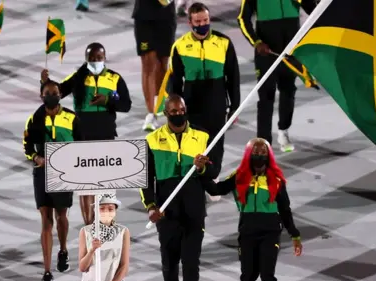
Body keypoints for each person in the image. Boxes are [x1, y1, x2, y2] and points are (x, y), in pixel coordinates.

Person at [198, 138, 302, 281]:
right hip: (247, 233)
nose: (259, 155)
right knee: (248, 276)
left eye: (263, 152)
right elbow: (215, 189)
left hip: (270, 233)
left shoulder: (277, 180)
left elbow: (285, 210)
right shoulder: (239, 176)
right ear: (249, 154)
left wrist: (295, 235)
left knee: (268, 277)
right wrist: (202, 171)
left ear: (268, 156)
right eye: (256, 152)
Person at [140, 94, 219, 281]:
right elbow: (146, 178)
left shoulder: (202, 137)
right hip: (167, 212)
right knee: (169, 262)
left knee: (192, 266)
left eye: (182, 109)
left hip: (194, 211)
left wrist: (203, 167)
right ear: (166, 114)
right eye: (173, 111)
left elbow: (212, 173)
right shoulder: (152, 140)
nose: (178, 113)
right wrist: (151, 206)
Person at [41, 42, 132, 226]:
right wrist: (45, 83)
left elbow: (126, 104)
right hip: (82, 137)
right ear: (86, 60)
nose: (95, 61)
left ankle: (107, 225)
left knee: (106, 183)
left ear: (105, 58)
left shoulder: (115, 78)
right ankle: (89, 226)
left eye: (99, 58)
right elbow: (57, 93)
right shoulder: (78, 77)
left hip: (106, 136)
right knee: (86, 185)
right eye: (91, 59)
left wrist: (106, 100)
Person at [170, 2, 240, 199]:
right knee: (195, 145)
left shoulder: (224, 42)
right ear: (189, 22)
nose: (203, 24)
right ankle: (200, 182)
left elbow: (233, 77)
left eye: (206, 20)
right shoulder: (180, 46)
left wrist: (235, 106)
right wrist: (174, 110)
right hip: (191, 105)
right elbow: (175, 83)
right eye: (198, 21)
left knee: (216, 144)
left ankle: (212, 180)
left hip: (217, 103)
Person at [23, 80, 83, 281]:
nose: (52, 96)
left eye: (55, 93)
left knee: (61, 216)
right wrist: (36, 157)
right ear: (42, 96)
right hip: (42, 172)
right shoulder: (34, 119)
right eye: (48, 93)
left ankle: (64, 249)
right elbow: (27, 145)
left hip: (63, 173)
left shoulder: (72, 117)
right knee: (46, 220)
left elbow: (81, 143)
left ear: (60, 95)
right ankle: (47, 272)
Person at [237, 0, 317, 152]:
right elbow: (242, 18)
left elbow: (313, 9)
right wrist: (256, 42)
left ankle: (283, 131)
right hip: (266, 53)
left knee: (288, 91)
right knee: (266, 96)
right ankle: (263, 142)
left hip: (290, 50)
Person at [132, 0, 176, 132]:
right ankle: (151, 114)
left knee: (164, 63)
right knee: (149, 63)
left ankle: (160, 102)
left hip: (167, 14)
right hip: (145, 15)